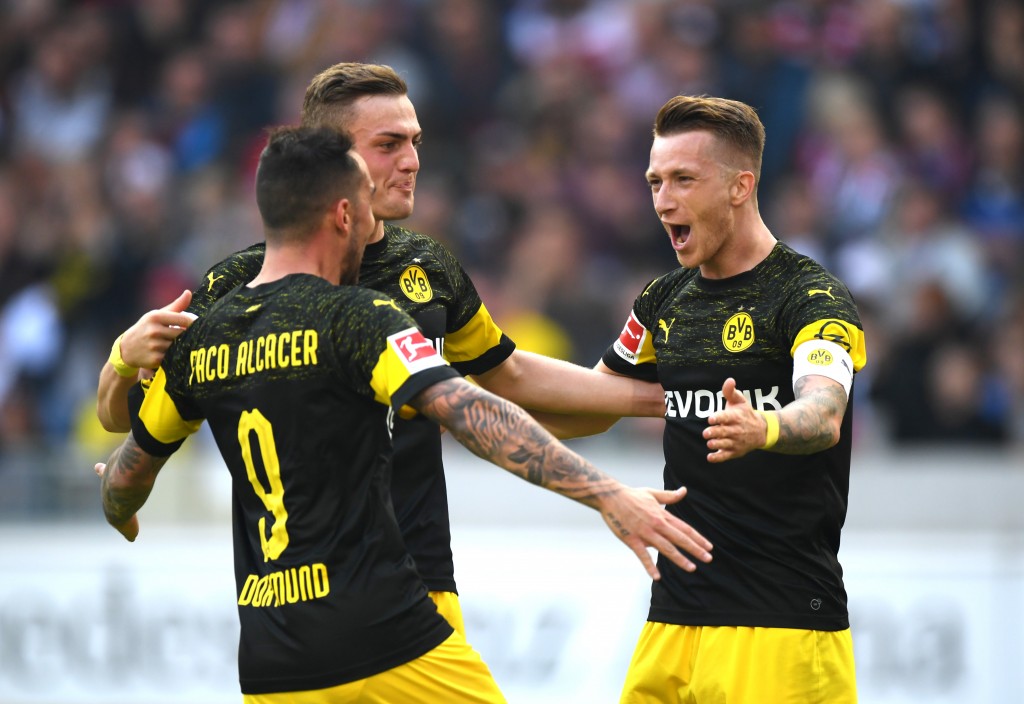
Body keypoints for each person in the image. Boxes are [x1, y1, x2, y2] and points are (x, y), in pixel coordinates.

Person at [96, 126, 713, 703]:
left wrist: (117, 507)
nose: (372, 223)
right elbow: (473, 413)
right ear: (342, 214)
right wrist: (607, 493)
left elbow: (126, 477)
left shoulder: (206, 338)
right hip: (382, 635)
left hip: (270, 662)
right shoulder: (358, 318)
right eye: (363, 202)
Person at [542, 95, 866, 702]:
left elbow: (824, 413)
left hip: (781, 623)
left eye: (684, 179)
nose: (664, 200)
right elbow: (593, 400)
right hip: (674, 618)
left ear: (741, 186)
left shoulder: (809, 297)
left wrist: (762, 428)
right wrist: (464, 386)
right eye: (656, 181)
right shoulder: (663, 301)